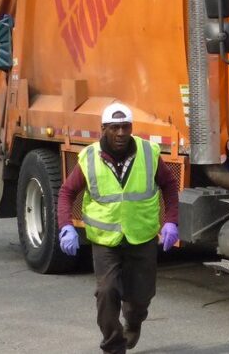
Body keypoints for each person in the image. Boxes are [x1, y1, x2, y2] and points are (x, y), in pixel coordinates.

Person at [57, 103, 180, 354]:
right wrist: (66, 226)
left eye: (125, 127)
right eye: (115, 128)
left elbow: (169, 185)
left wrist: (170, 220)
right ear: (103, 129)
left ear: (131, 128)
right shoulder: (89, 158)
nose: (121, 133)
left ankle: (133, 322)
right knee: (106, 290)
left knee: (141, 297)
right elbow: (67, 192)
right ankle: (113, 346)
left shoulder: (147, 153)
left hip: (142, 234)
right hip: (105, 238)